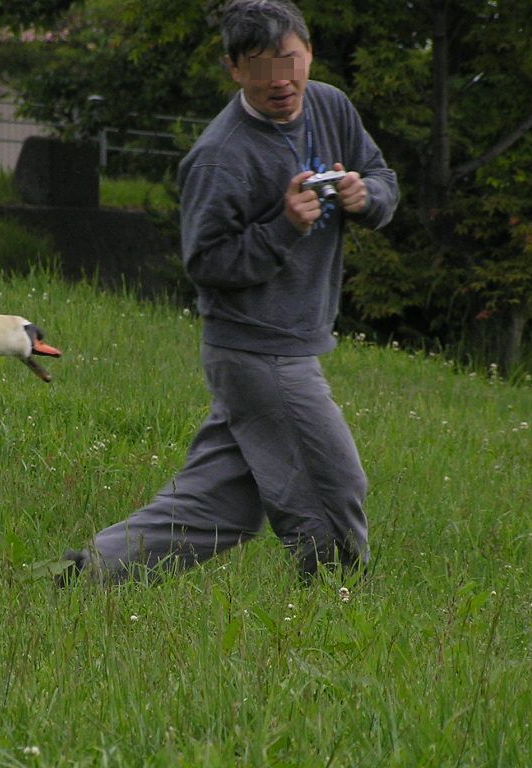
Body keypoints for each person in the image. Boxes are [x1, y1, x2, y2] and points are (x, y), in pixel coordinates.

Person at [60, 0, 399, 584]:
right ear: (235, 69)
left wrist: (365, 196)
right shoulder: (222, 156)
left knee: (220, 509)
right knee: (333, 485)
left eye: (290, 61)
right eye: (261, 67)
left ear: (309, 52)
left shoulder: (330, 106)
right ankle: (337, 603)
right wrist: (284, 227)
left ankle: (82, 578)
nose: (280, 81)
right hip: (259, 350)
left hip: (287, 341)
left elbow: (383, 178)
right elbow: (207, 262)